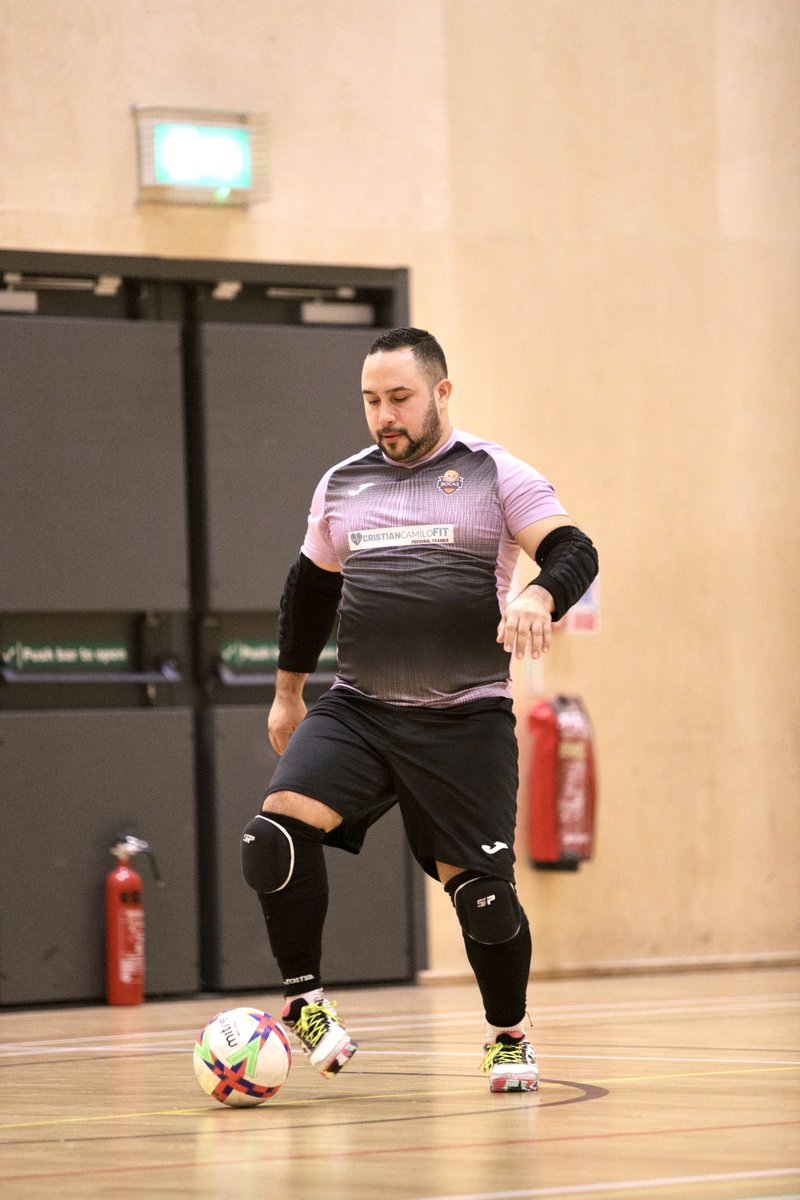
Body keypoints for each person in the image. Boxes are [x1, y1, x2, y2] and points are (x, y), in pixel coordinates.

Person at [241, 328, 598, 1092]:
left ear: (440, 393)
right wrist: (288, 692)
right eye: (371, 401)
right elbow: (310, 590)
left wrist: (539, 591)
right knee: (273, 835)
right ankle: (305, 1003)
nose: (384, 416)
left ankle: (509, 1037)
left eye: (399, 398)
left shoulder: (494, 473)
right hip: (360, 710)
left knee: (487, 900)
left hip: (464, 718)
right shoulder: (341, 483)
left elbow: (574, 550)